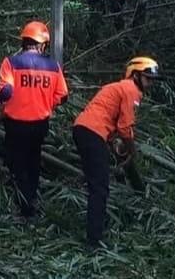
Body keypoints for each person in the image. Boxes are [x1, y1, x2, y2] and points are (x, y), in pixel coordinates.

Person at [72, 57, 163, 248]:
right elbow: (125, 127)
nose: (150, 83)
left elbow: (107, 117)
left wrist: (113, 143)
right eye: (147, 79)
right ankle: (93, 241)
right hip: (92, 133)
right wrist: (132, 150)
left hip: (84, 129)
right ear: (136, 75)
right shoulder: (131, 90)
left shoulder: (117, 87)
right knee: (100, 187)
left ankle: (94, 229)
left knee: (96, 178)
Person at [0, 21, 69, 221]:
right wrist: (45, 103)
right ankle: (32, 198)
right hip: (40, 124)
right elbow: (63, 96)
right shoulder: (53, 66)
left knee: (17, 164)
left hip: (16, 124)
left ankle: (25, 207)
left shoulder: (11, 62)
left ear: (24, 41)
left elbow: (6, 91)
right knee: (33, 161)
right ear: (43, 44)